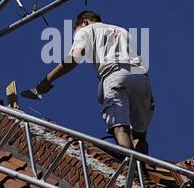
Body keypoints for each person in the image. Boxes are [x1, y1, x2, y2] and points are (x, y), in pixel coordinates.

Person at [23, 11, 154, 154]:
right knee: (140, 135)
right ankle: (143, 172)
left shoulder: (86, 30)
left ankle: (132, 172)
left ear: (84, 22)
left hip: (115, 76)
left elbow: (75, 56)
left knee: (120, 128)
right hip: (141, 78)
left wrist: (47, 80)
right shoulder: (122, 31)